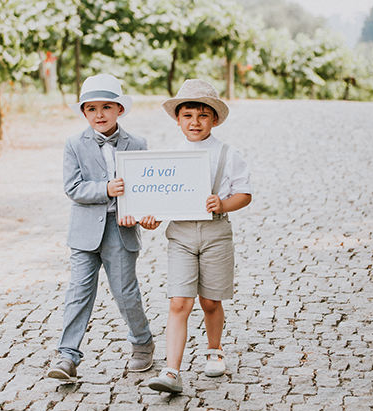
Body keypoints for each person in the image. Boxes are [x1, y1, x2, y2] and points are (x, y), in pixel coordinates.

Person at [47, 74, 158, 383]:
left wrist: (138, 212)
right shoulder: (73, 144)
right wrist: (106, 188)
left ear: (120, 109)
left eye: (106, 107)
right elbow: (73, 188)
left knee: (125, 290)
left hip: (120, 229)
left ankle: (142, 343)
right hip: (84, 231)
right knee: (79, 291)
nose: (99, 114)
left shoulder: (137, 144)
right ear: (84, 112)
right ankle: (67, 355)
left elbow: (146, 187)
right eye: (91, 108)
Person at [146, 79, 253, 393]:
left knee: (209, 300)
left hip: (216, 231)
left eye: (202, 116)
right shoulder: (169, 157)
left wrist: (223, 203)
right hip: (180, 233)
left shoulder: (227, 153)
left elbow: (244, 194)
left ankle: (214, 349)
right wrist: (150, 218)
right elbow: (160, 199)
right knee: (179, 301)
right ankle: (171, 371)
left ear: (214, 120)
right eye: (188, 116)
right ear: (177, 119)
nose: (195, 122)